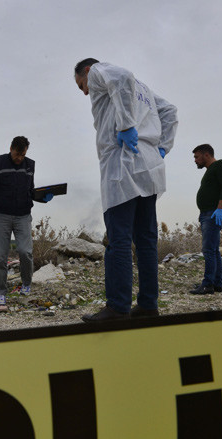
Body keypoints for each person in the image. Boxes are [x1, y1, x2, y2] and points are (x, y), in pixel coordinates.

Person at [73, 58, 178, 322]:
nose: (85, 92)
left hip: (123, 164)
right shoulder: (143, 90)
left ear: (87, 72)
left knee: (118, 240)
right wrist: (162, 145)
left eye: (81, 85)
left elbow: (120, 77)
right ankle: (148, 306)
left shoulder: (99, 71)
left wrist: (126, 125)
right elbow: (169, 111)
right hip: (149, 166)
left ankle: (118, 307)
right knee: (145, 240)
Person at [0, 136, 52, 305]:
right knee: (1, 256)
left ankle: (26, 283)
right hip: (1, 216)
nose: (19, 158)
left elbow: (30, 191)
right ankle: (1, 291)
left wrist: (42, 197)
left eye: (23, 155)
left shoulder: (30, 165)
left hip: (23, 216)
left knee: (25, 252)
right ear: (11, 148)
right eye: (17, 154)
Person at [190, 144, 222, 295]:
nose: (195, 160)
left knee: (208, 250)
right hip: (207, 213)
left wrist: (220, 208)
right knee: (213, 250)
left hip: (214, 213)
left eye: (196, 157)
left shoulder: (220, 165)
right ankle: (216, 283)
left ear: (206, 155)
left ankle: (207, 285)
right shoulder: (209, 171)